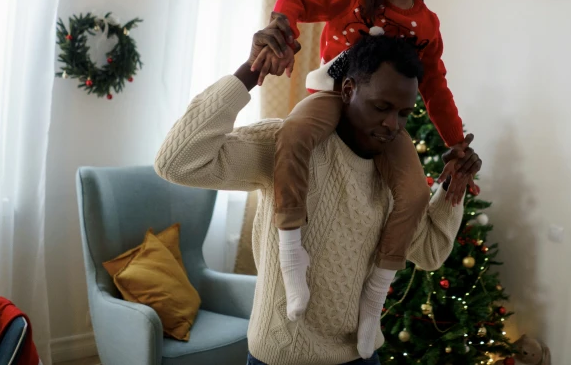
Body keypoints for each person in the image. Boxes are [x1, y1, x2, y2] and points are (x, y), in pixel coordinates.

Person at [155, 34, 474, 365]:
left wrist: (455, 184)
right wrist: (249, 74)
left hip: (361, 356)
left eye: (404, 113)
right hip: (281, 357)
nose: (392, 124)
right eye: (381, 107)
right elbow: (176, 162)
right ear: (348, 90)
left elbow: (430, 252)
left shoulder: (395, 179)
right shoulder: (283, 144)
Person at [248, 0, 482, 353]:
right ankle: (292, 251)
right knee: (294, 135)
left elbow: (434, 86)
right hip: (334, 94)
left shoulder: (427, 25)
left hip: (381, 118)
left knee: (412, 194)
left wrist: (455, 143)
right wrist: (284, 24)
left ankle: (374, 299)